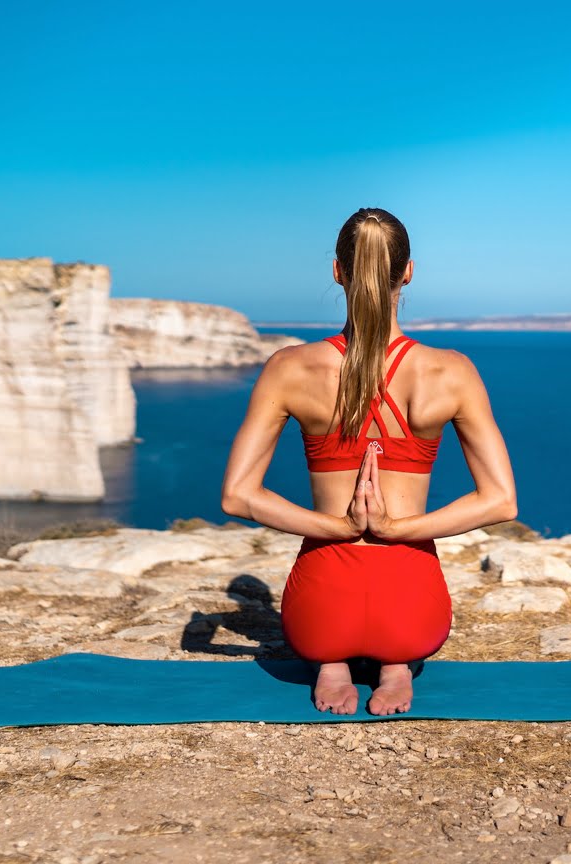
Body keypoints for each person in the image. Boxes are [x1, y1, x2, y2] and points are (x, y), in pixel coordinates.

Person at [220, 207, 517, 715]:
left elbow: (237, 495)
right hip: (413, 611)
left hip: (318, 614)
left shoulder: (290, 368)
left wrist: (335, 527)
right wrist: (401, 530)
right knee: (400, 639)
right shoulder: (451, 371)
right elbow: (501, 502)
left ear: (337, 271)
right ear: (408, 272)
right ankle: (396, 667)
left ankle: (331, 666)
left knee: (327, 640)